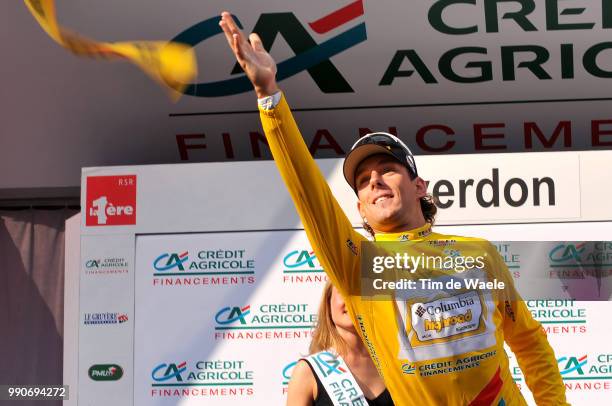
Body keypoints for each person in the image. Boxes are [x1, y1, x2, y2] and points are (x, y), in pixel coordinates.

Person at [219, 11, 568, 405]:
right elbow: (308, 193)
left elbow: (529, 342)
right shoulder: (360, 265)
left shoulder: (479, 253)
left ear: (419, 186)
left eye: (387, 170)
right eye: (363, 181)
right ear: (361, 209)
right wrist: (269, 97)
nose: (374, 182)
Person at [287, 281, 394, 406]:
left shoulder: (401, 365)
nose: (352, 300)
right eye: (344, 292)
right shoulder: (307, 372)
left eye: (361, 293)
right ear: (328, 303)